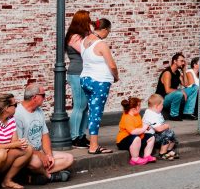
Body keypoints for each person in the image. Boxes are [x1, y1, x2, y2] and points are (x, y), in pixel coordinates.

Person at [13, 82, 74, 184]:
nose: (45, 98)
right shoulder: (18, 114)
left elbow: (45, 136)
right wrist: (39, 155)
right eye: (43, 95)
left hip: (39, 152)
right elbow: (19, 144)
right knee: (36, 162)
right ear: (34, 97)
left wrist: (49, 155)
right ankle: (49, 176)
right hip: (25, 154)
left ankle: (32, 176)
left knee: (69, 158)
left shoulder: (39, 111)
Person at [79, 17, 118, 155]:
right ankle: (93, 146)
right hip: (99, 81)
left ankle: (93, 143)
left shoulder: (84, 41)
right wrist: (116, 76)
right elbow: (112, 65)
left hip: (85, 79)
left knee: (92, 111)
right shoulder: (101, 44)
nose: (108, 34)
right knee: (96, 114)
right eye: (109, 31)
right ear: (104, 30)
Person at [65, 10, 93, 148]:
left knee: (85, 107)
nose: (90, 22)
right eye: (88, 20)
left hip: (85, 73)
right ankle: (74, 137)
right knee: (80, 105)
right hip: (77, 73)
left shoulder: (83, 36)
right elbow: (85, 52)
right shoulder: (75, 37)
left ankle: (81, 135)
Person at [115, 96, 156, 165]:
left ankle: (147, 156)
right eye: (139, 106)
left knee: (151, 137)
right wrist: (144, 128)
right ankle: (135, 158)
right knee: (136, 138)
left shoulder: (137, 115)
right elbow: (133, 132)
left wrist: (145, 126)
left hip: (137, 138)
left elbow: (139, 125)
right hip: (123, 141)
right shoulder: (127, 118)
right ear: (134, 109)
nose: (140, 108)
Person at [157, 53, 194, 120]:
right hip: (163, 99)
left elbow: (186, 85)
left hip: (173, 96)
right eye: (181, 61)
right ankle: (173, 115)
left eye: (183, 61)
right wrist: (181, 91)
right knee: (179, 93)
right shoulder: (167, 73)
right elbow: (167, 90)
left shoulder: (177, 72)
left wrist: (184, 71)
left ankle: (187, 112)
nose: (183, 63)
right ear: (175, 61)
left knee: (194, 88)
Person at [142, 94, 179, 160]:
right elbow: (158, 129)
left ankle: (168, 150)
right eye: (162, 105)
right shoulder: (151, 114)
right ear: (156, 106)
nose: (162, 106)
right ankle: (162, 153)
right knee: (168, 133)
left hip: (155, 134)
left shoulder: (157, 112)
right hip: (150, 137)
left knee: (171, 133)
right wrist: (166, 126)